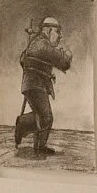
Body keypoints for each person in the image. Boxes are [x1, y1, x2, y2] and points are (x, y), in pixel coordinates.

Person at [14, 14, 71, 157]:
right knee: (46, 117)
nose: (60, 36)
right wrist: (67, 55)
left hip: (36, 84)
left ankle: (39, 147)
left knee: (42, 116)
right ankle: (22, 123)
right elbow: (62, 62)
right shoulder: (41, 44)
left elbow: (23, 59)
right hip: (35, 85)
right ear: (48, 30)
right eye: (57, 31)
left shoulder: (38, 43)